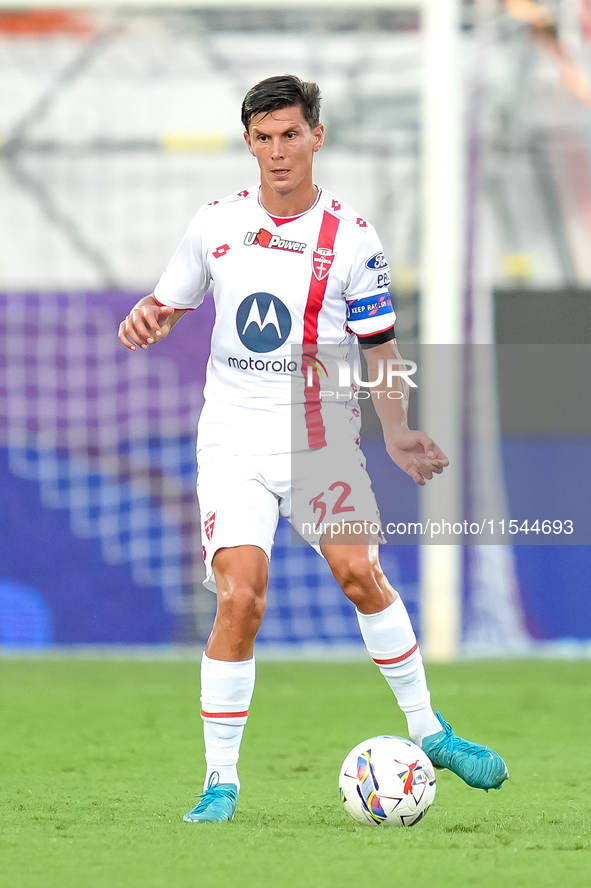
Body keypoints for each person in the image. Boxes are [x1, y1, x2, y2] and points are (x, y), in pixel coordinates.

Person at [118, 75, 508, 823]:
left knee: (361, 575)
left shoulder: (352, 237)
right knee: (241, 598)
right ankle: (220, 782)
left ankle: (430, 732)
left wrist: (394, 428)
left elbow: (379, 348)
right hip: (232, 438)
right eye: (262, 138)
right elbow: (167, 301)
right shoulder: (215, 224)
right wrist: (149, 317)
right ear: (248, 143)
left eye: (289, 135)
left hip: (319, 435)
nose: (276, 152)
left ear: (316, 137)